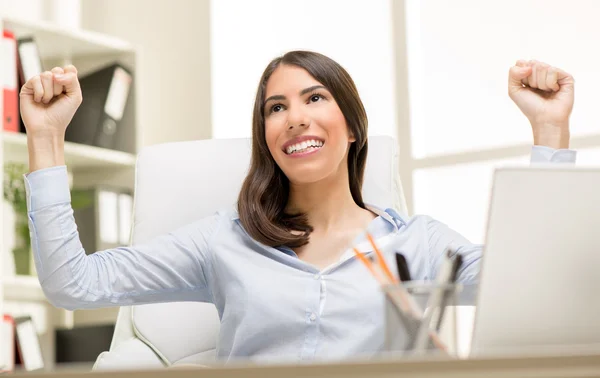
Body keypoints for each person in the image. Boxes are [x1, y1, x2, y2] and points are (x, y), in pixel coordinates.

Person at [20, 51, 576, 362]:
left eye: (316, 98)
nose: (296, 117)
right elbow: (76, 284)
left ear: (352, 127)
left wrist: (549, 129)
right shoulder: (224, 242)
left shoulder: (418, 245)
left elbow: (533, 280)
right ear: (267, 137)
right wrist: (45, 137)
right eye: (276, 107)